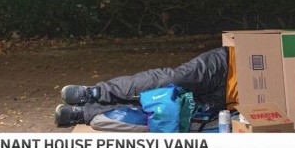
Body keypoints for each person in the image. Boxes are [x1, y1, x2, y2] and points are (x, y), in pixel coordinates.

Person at [55, 47, 239, 126]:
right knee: (168, 80)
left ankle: (85, 113)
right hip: (227, 65)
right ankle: (94, 93)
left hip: (227, 104)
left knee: (167, 108)